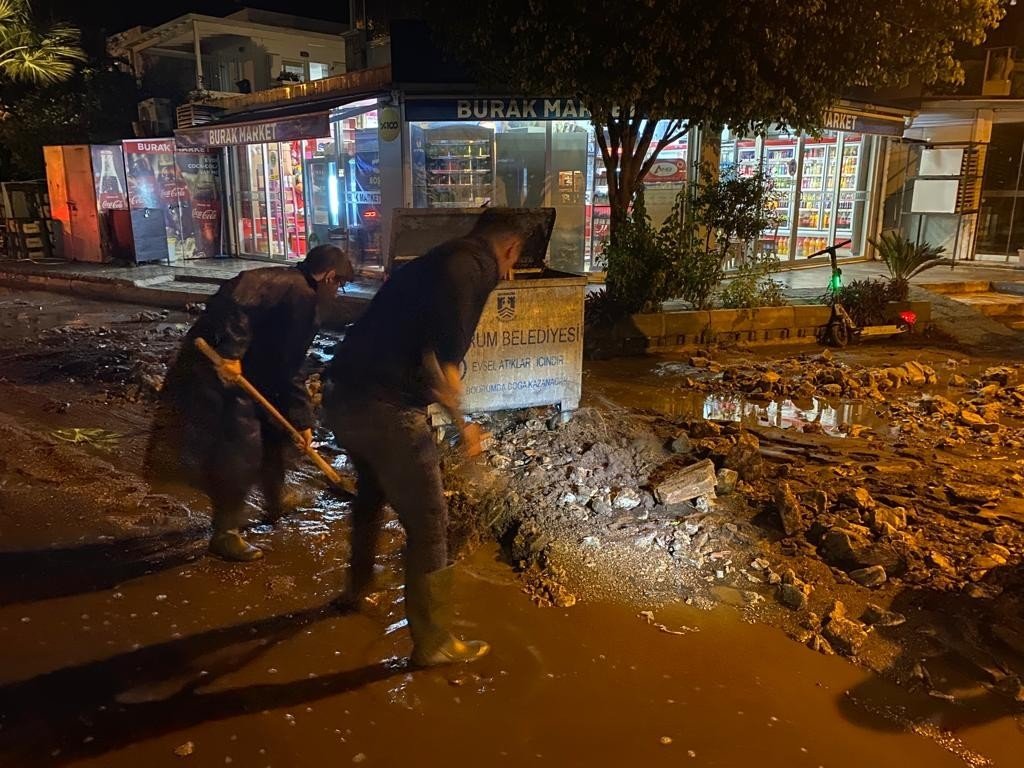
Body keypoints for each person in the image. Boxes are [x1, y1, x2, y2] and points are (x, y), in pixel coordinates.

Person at [323, 208, 527, 667]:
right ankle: (433, 641)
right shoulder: (473, 269)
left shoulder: (435, 260)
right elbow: (442, 370)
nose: (509, 273)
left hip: (342, 395)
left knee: (372, 493)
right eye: (513, 263)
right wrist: (465, 427)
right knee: (430, 522)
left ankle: (357, 590)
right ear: (510, 249)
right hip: (385, 407)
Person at [146, 245, 354, 562]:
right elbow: (235, 296)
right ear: (327, 276)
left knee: (276, 433)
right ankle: (225, 533)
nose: (338, 292)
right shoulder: (285, 284)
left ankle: (274, 499)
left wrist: (301, 419)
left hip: (254, 373)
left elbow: (290, 365)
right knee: (239, 451)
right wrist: (230, 350)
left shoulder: (303, 299)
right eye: (339, 284)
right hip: (216, 371)